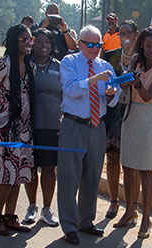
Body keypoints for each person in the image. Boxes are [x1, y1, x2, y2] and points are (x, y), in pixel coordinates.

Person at [57, 25, 117, 245]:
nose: (94, 49)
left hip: (97, 126)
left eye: (98, 45)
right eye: (89, 44)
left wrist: (111, 94)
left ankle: (86, 221)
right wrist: (94, 80)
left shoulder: (106, 66)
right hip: (73, 125)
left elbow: (113, 96)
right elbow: (71, 89)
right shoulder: (69, 62)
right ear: (80, 43)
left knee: (92, 177)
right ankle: (69, 226)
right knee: (69, 178)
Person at [115, 27, 152, 239]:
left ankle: (146, 219)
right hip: (131, 113)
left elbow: (148, 95)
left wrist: (135, 82)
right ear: (142, 44)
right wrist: (126, 80)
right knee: (128, 166)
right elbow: (123, 82)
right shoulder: (136, 59)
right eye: (148, 45)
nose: (151, 49)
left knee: (145, 169)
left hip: (150, 116)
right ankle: (130, 211)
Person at [0, 24, 36, 235]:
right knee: (5, 175)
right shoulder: (2, 65)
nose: (29, 43)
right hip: (4, 129)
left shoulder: (30, 66)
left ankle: (11, 215)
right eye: (24, 39)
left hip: (25, 129)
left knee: (19, 173)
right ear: (14, 41)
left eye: (30, 39)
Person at [22, 28, 62, 227]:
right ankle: (32, 206)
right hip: (28, 125)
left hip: (51, 126)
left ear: (52, 45)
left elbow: (66, 95)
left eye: (47, 42)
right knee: (29, 168)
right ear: (32, 43)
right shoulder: (25, 64)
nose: (43, 45)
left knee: (48, 169)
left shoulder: (60, 67)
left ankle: (47, 209)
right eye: (39, 42)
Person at [101, 20, 140, 220]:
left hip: (134, 112)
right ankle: (114, 201)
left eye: (128, 32)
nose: (124, 36)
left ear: (136, 33)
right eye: (121, 32)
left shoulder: (143, 58)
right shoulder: (110, 56)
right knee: (113, 157)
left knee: (131, 162)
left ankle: (132, 206)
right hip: (112, 112)